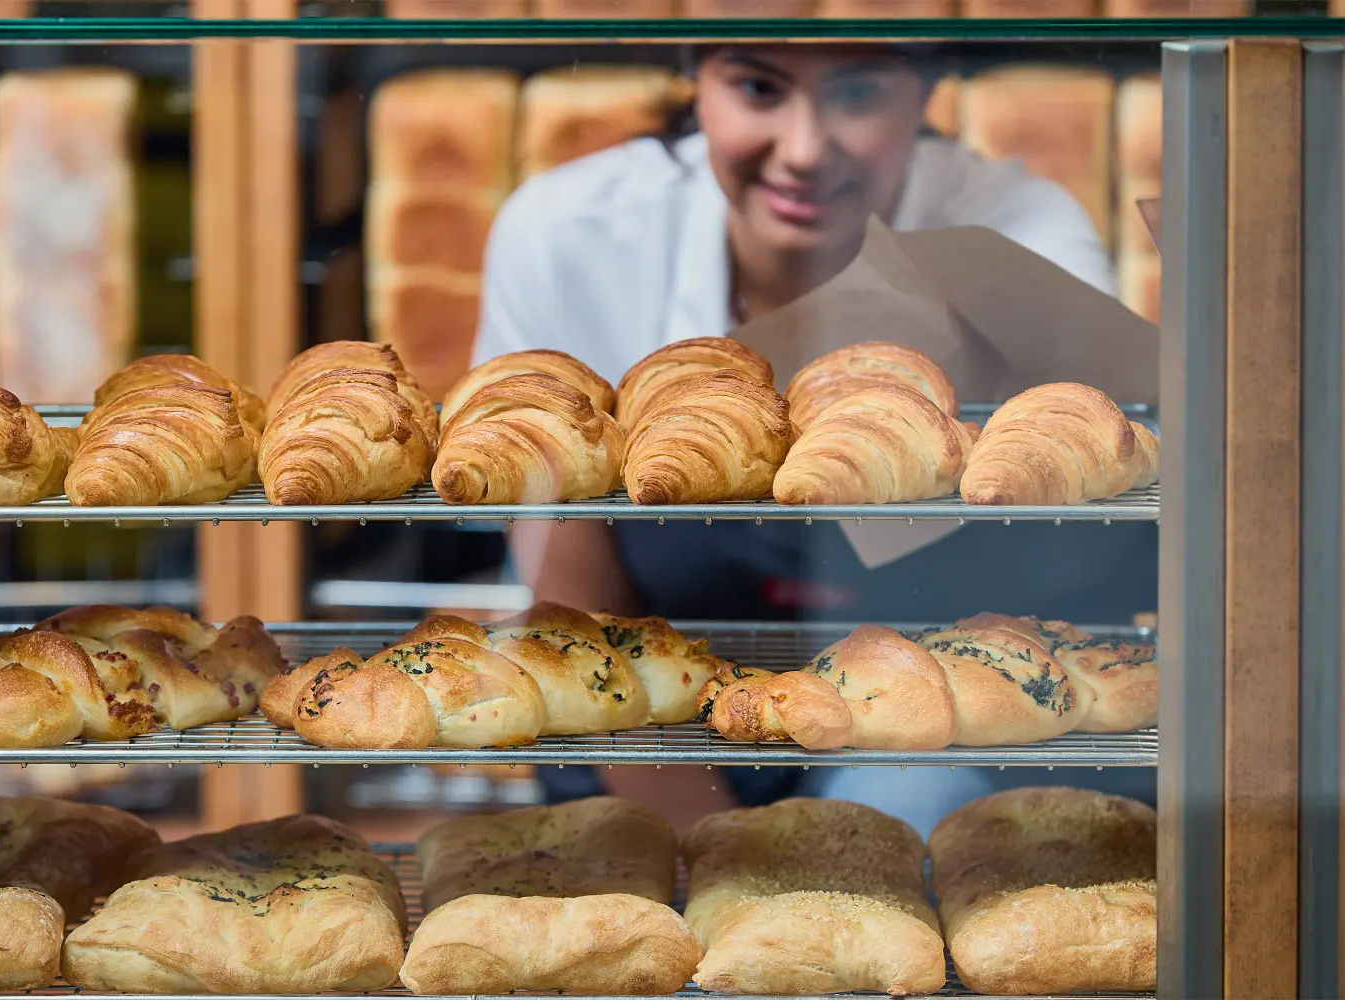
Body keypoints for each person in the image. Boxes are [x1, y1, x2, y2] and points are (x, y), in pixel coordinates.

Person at [470, 43, 1157, 835]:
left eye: (857, 93)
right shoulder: (574, 234)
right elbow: (570, 582)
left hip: (941, 715)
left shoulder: (1017, 232)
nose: (803, 151)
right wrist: (712, 850)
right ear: (696, 81)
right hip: (653, 708)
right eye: (759, 87)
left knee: (909, 807)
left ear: (925, 91)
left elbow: (1086, 460)